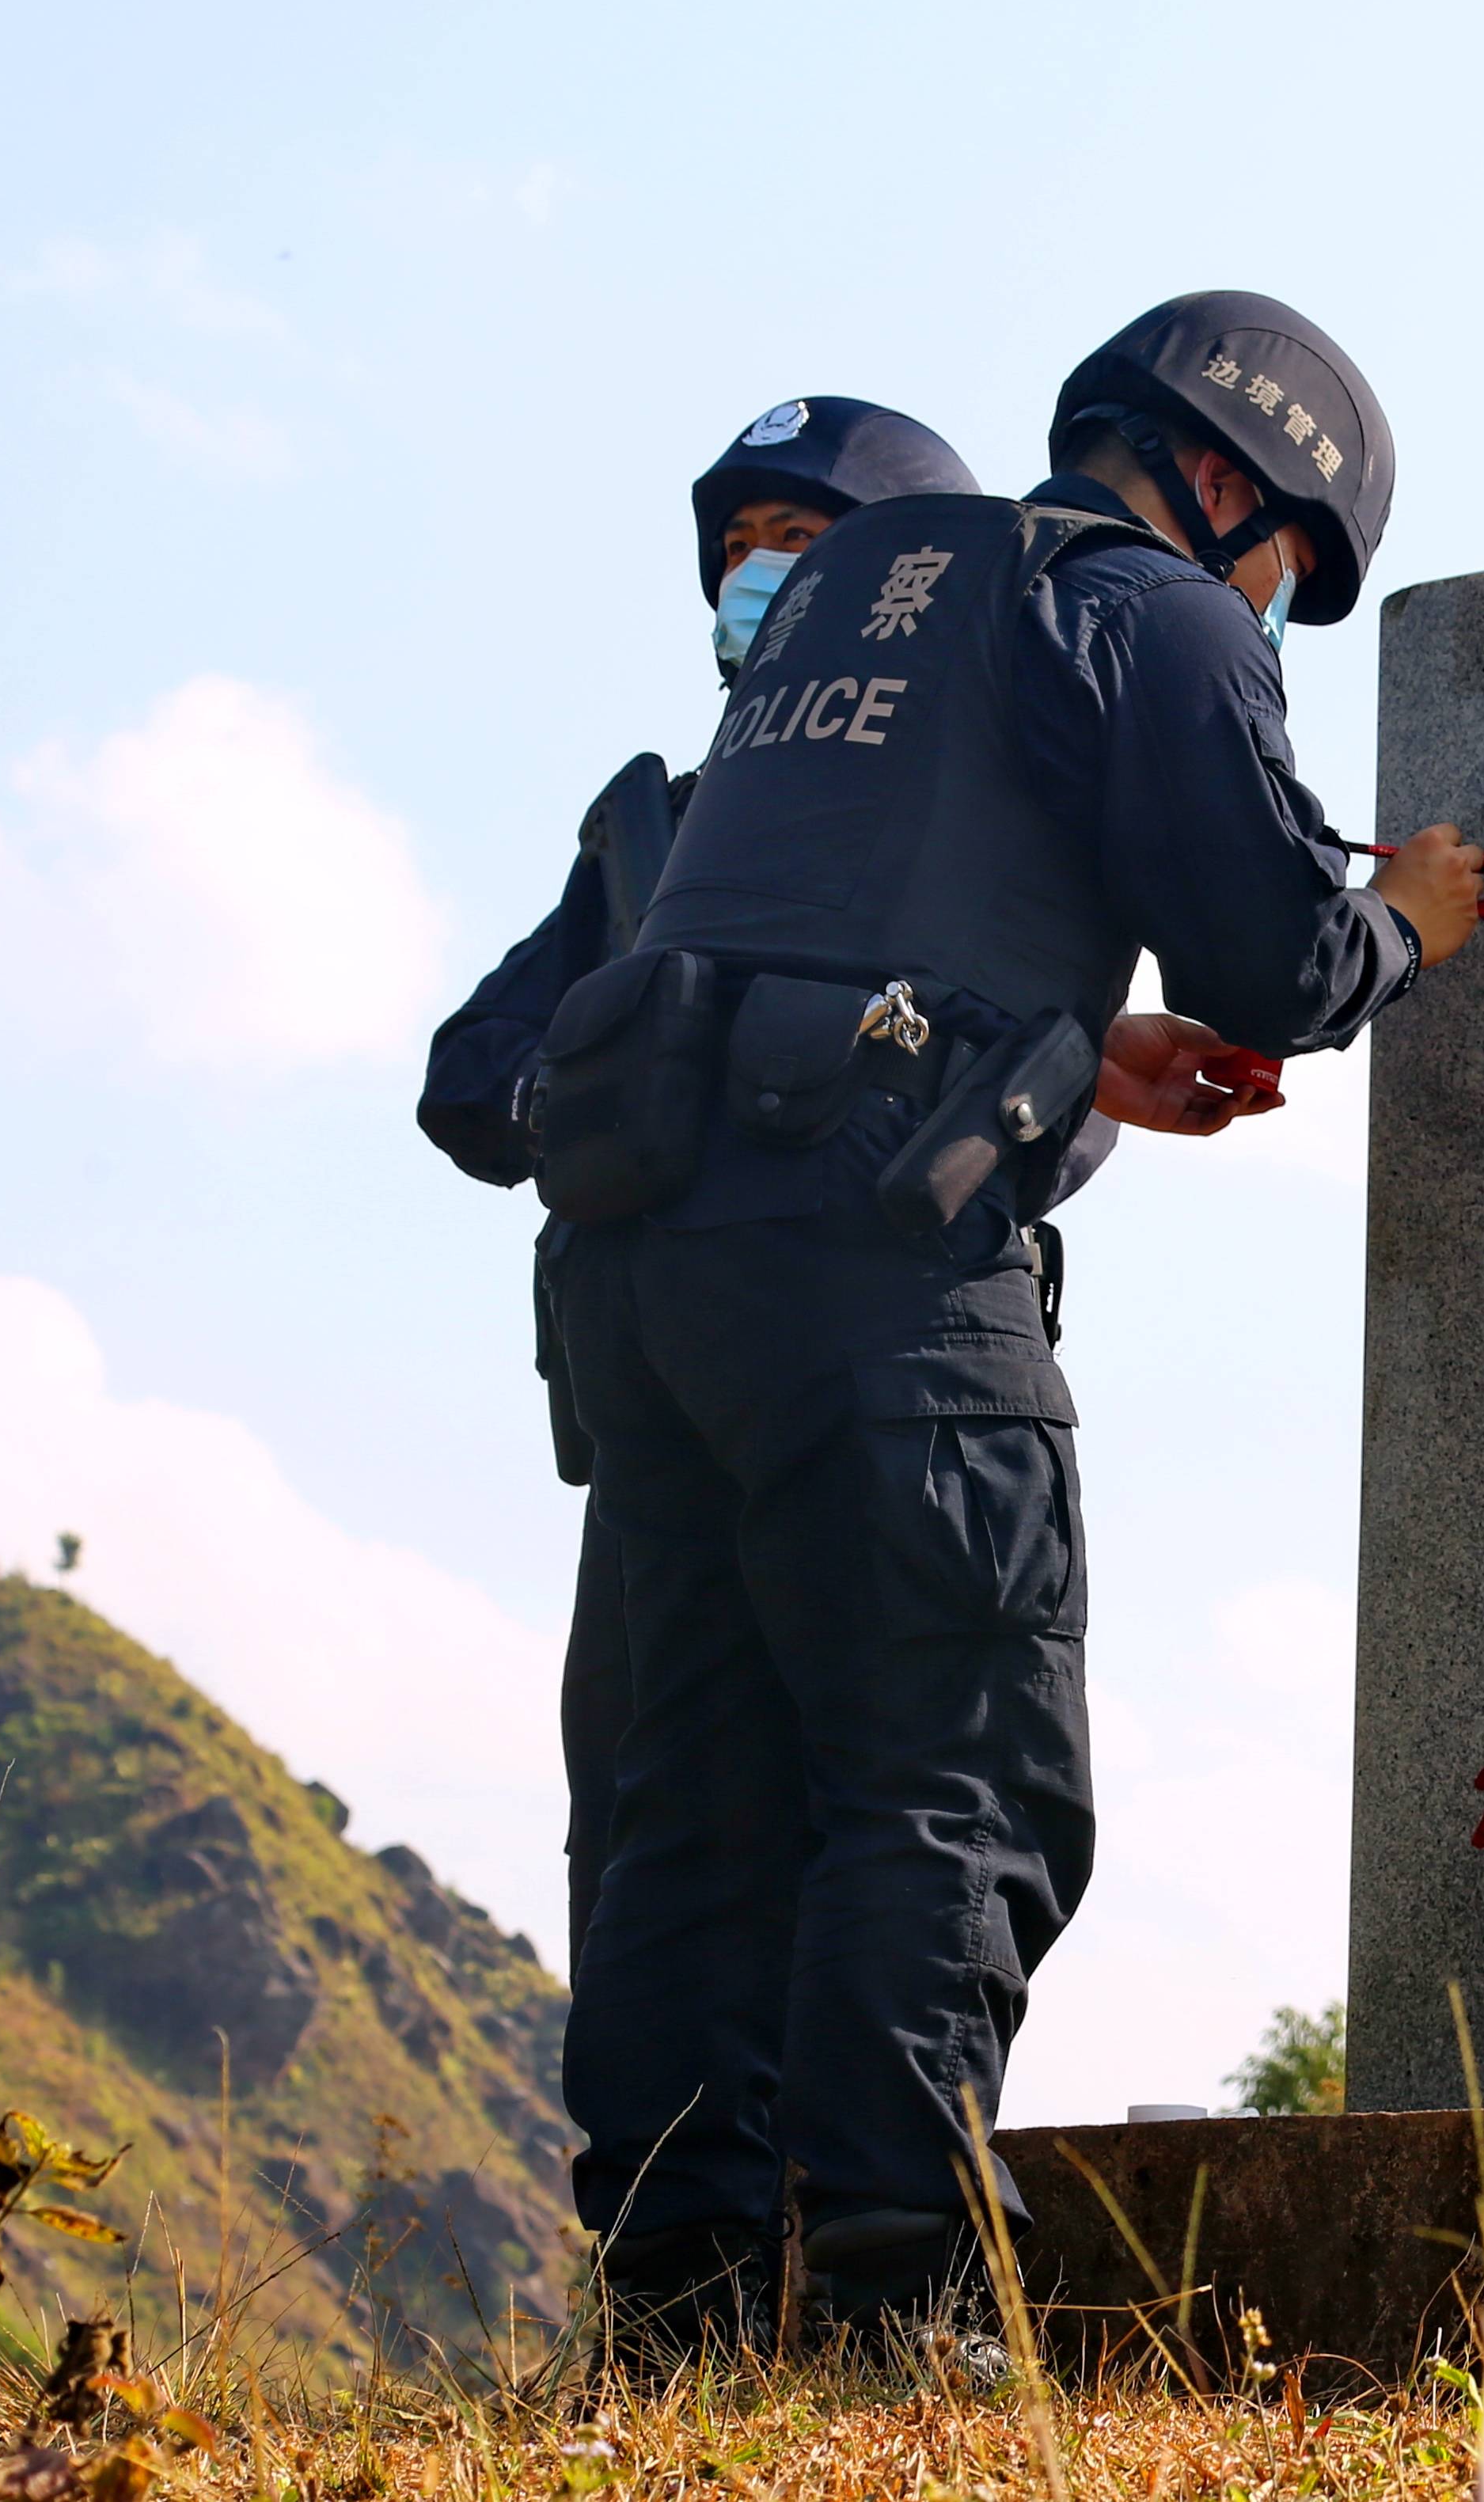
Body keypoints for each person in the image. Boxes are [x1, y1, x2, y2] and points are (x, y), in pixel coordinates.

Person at [538, 292, 1481, 2350]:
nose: (1265, 608)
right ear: (1231, 478)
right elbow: (1273, 950)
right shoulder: (1152, 609)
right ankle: (884, 2309)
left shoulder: (870, 574)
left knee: (691, 1797)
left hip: (648, 1264)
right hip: (877, 1258)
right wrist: (1410, 914)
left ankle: (677, 2323)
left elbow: (872, 879)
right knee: (956, 1768)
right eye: (1286, 572)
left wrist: (1075, 1041)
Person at [418, 396, 985, 1973]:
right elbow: (472, 1069)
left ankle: (871, 2214)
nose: (756, 576)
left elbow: (1045, 1093)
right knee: (651, 1827)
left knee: (890, 1829)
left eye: (800, 545)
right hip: (663, 1410)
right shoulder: (654, 826)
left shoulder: (970, 792)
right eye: (736, 550)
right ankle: (682, 2223)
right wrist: (621, 1094)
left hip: (880, 1390)